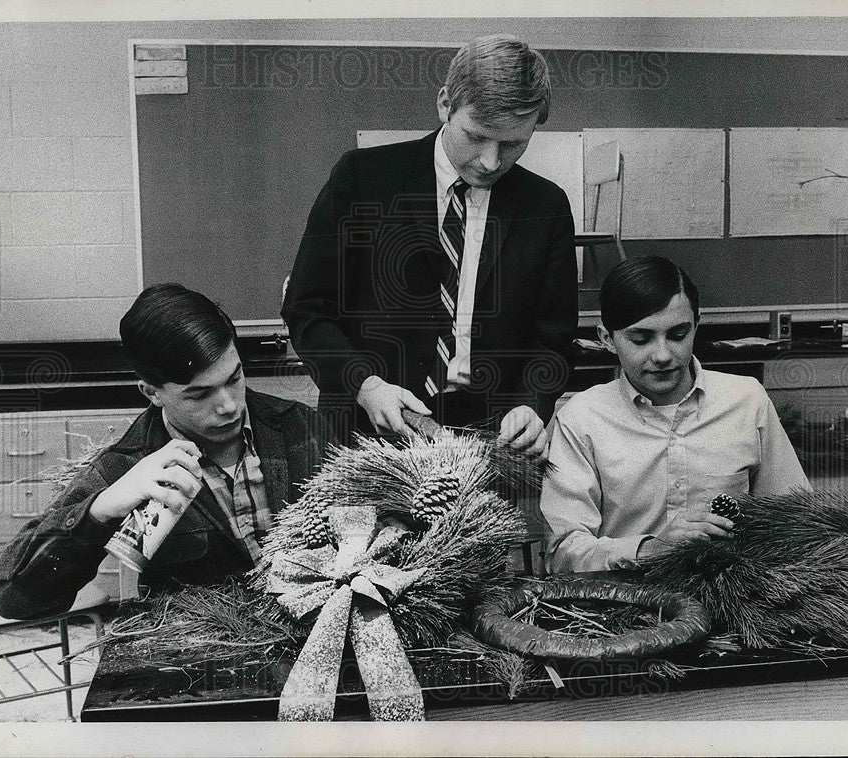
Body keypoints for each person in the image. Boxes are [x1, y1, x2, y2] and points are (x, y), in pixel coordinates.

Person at [282, 34, 577, 455]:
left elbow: (552, 340)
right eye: (477, 136)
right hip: (367, 433)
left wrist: (532, 405)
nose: (492, 162)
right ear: (445, 104)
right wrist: (365, 386)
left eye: (514, 143)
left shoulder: (546, 206)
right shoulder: (362, 178)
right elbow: (307, 309)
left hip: (491, 444)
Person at [0, 284, 336, 619]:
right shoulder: (128, 466)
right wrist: (101, 509)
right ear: (151, 392)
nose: (229, 406)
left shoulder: (303, 428)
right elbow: (14, 597)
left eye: (234, 378)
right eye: (199, 395)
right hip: (203, 664)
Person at [540, 256, 811, 573]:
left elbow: (797, 520)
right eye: (640, 339)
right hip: (623, 606)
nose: (663, 355)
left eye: (678, 335)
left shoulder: (746, 400)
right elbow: (561, 553)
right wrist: (652, 550)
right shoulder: (581, 418)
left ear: (698, 324)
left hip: (734, 597)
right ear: (606, 339)